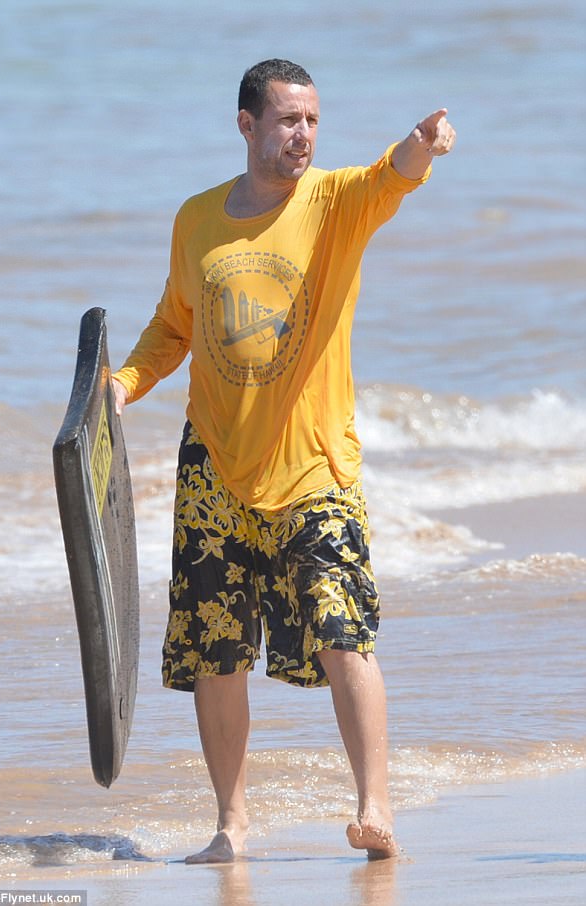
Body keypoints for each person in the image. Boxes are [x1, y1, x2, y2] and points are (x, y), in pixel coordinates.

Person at [112, 58, 456, 864]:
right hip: (215, 468)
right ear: (246, 125)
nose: (302, 136)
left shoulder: (335, 202)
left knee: (345, 632)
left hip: (314, 467)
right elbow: (173, 325)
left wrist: (423, 143)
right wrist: (124, 384)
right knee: (215, 650)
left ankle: (377, 810)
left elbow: (391, 175)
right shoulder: (197, 218)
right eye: (288, 121)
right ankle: (229, 826)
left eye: (312, 122)